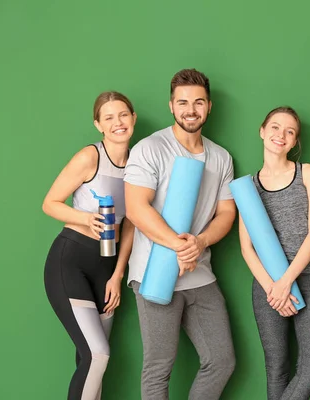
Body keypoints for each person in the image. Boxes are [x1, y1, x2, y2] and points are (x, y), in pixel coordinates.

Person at [124, 68, 236, 400]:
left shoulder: (221, 157)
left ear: (209, 107)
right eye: (183, 102)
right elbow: (136, 207)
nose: (191, 109)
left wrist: (198, 243)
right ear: (171, 105)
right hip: (154, 274)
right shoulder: (150, 148)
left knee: (221, 361)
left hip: (199, 273)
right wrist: (177, 245)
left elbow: (227, 212)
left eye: (198, 102)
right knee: (159, 367)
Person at [42, 91, 136, 400]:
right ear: (98, 124)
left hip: (107, 271)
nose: (117, 123)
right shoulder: (90, 157)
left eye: (123, 115)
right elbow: (50, 204)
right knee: (98, 354)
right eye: (108, 118)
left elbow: (132, 223)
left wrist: (118, 275)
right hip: (70, 262)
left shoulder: (139, 165)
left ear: (133, 118)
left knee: (92, 363)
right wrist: (85, 217)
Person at [238, 106, 310, 400]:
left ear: (294, 142)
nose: (281, 135)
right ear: (262, 131)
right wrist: (272, 288)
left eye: (290, 132)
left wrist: (286, 282)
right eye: (275, 127)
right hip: (267, 285)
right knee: (276, 366)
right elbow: (246, 247)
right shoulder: (248, 186)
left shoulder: (309, 173)